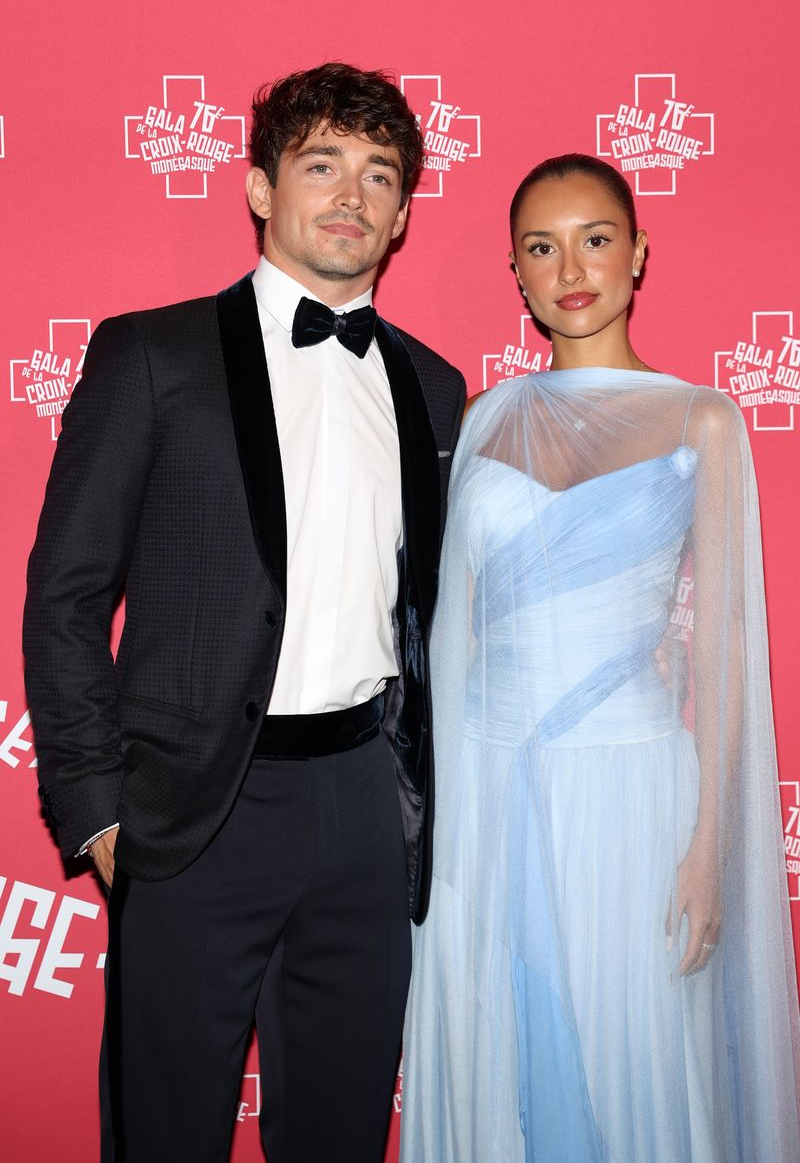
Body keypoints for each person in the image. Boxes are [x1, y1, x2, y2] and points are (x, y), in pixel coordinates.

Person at [23, 62, 465, 1163]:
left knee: (340, 1128)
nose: (351, 196)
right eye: (321, 165)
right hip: (190, 813)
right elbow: (66, 593)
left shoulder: (433, 385)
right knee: (166, 1133)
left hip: (364, 811)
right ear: (261, 188)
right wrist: (95, 808)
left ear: (405, 211)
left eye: (378, 175)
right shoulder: (153, 355)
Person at [400, 153, 800, 1161]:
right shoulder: (483, 415)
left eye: (594, 238)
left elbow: (721, 658)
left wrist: (711, 845)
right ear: (515, 272)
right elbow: (445, 630)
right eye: (541, 246)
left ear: (637, 254)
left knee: (630, 1053)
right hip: (481, 793)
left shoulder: (700, 419)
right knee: (495, 1043)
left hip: (627, 794)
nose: (569, 266)